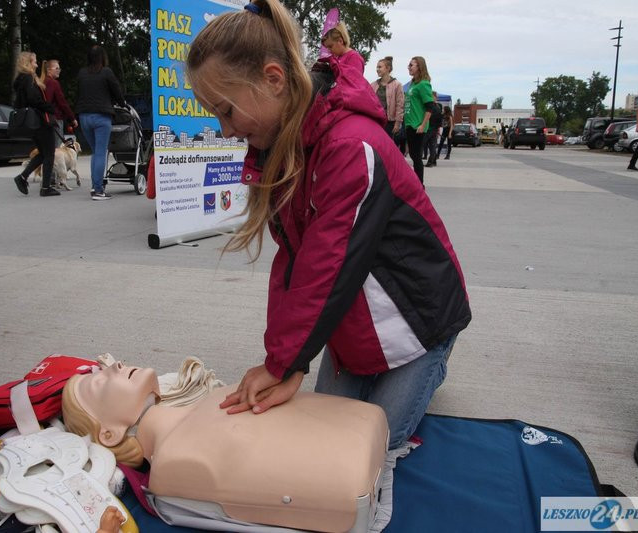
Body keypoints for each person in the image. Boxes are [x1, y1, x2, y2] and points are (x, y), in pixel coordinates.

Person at [185, 0, 471, 451]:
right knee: (321, 432)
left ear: (273, 80)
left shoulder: (349, 145)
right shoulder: (281, 147)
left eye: (227, 111)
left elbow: (327, 267)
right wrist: (283, 359)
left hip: (421, 319)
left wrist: (285, 364)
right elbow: (294, 262)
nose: (225, 131)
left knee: (374, 442)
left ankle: (434, 363)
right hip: (357, 319)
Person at [62, 360, 388, 532]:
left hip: (360, 442)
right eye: (100, 382)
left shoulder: (216, 398)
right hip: (353, 469)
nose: (114, 365)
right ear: (109, 435)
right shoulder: (176, 462)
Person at [76, 45, 127, 200]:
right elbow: (116, 90)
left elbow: (79, 93)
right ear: (102, 57)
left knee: (95, 152)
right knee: (100, 152)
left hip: (84, 117)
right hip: (101, 117)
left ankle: (95, 186)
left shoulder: (82, 73)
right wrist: (122, 103)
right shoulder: (106, 72)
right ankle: (98, 190)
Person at [12, 51, 60, 197]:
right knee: (49, 153)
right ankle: (46, 187)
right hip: (40, 121)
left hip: (32, 122)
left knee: (43, 153)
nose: (37, 65)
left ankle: (22, 177)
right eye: (34, 62)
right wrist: (49, 108)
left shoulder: (20, 80)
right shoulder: (29, 79)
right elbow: (33, 99)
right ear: (28, 63)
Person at [403, 56, 437, 184]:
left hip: (418, 126)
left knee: (416, 156)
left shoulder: (423, 84)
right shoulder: (412, 84)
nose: (409, 67)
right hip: (409, 124)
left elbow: (430, 107)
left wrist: (423, 125)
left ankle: (420, 185)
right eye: (409, 65)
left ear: (419, 67)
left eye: (411, 65)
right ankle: (417, 184)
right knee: (413, 155)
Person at [40, 59, 78, 148]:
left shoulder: (42, 82)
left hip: (43, 118)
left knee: (46, 147)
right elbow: (62, 103)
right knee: (57, 147)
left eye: (59, 68)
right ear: (49, 70)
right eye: (56, 68)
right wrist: (72, 118)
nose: (59, 70)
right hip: (55, 119)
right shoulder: (54, 83)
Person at [370, 56, 404, 153]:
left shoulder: (397, 85)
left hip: (389, 122)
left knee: (386, 147)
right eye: (377, 67)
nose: (377, 69)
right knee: (375, 145)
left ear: (388, 68)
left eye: (380, 67)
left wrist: (398, 122)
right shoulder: (373, 85)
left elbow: (400, 105)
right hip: (375, 121)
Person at [424, 91, 442, 168]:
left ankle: (430, 162)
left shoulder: (430, 106)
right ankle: (433, 161)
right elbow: (440, 119)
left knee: (425, 144)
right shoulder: (438, 106)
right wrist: (438, 128)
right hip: (434, 128)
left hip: (429, 128)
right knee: (432, 146)